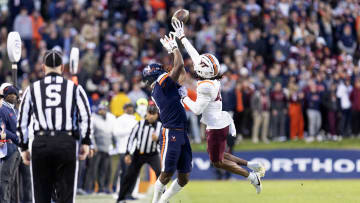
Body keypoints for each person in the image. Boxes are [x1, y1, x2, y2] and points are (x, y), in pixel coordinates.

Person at [172, 18, 265, 194]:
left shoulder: (205, 86)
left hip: (216, 126)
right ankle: (250, 164)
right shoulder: (211, 79)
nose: (196, 64)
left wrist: (182, 96)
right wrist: (182, 37)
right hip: (220, 120)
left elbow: (197, 109)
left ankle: (251, 176)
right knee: (219, 155)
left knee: (217, 161)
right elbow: (195, 55)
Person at [17, 50, 92, 203]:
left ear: (43, 67)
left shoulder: (32, 89)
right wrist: (85, 142)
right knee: (66, 196)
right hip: (66, 142)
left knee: (41, 195)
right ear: (62, 67)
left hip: (41, 142)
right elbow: (86, 116)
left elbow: (22, 120)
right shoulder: (74, 88)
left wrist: (24, 147)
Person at [142, 31, 191, 203]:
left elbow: (181, 72)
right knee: (167, 172)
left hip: (182, 131)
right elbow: (177, 67)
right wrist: (175, 48)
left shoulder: (164, 87)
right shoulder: (160, 85)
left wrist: (175, 53)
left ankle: (163, 201)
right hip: (171, 132)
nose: (166, 72)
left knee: (184, 177)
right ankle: (156, 202)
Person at [117, 105, 162, 202]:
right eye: (149, 113)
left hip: (153, 154)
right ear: (146, 113)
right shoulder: (139, 124)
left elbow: (164, 142)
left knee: (161, 176)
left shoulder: (160, 126)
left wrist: (158, 140)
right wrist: (128, 153)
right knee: (129, 176)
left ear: (157, 115)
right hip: (139, 154)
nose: (151, 116)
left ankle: (164, 199)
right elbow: (131, 138)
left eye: (153, 114)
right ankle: (121, 198)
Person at [84, 100, 116, 194]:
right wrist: (93, 145)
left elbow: (111, 133)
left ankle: (102, 188)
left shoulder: (110, 118)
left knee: (104, 170)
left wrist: (112, 145)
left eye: (104, 109)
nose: (103, 111)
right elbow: (91, 134)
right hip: (96, 148)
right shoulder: (93, 118)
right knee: (92, 169)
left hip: (106, 148)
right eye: (101, 109)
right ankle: (89, 188)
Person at [0, 85, 21, 203]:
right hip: (7, 147)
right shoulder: (3, 109)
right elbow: (2, 129)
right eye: (10, 94)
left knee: (10, 181)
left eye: (15, 94)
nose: (13, 96)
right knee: (4, 180)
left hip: (15, 148)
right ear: (5, 96)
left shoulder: (13, 110)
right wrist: (16, 137)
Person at [112, 103, 139, 194]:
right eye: (128, 108)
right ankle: (120, 192)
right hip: (123, 149)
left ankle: (129, 193)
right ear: (124, 109)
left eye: (131, 107)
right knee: (124, 172)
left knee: (131, 173)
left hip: (133, 150)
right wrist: (130, 131)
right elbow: (115, 132)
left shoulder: (135, 119)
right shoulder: (120, 119)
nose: (130, 109)